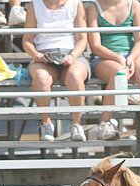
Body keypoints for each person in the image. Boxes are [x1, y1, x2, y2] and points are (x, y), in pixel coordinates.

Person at [85, 0, 140, 140]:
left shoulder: (134, 5)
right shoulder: (93, 7)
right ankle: (104, 123)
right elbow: (95, 46)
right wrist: (118, 58)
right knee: (119, 73)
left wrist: (132, 58)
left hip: (131, 55)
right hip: (104, 58)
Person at [23, 0, 90, 142]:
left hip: (72, 54)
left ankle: (76, 124)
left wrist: (72, 56)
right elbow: (27, 40)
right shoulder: (34, 5)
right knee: (41, 77)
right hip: (44, 55)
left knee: (75, 76)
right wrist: (36, 55)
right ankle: (46, 124)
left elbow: (82, 39)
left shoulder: (76, 3)